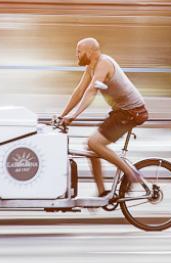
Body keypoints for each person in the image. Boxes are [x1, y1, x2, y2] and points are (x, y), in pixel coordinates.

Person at [58, 37, 151, 197]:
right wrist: (62, 115)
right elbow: (79, 91)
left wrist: (74, 116)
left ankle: (132, 174)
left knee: (93, 142)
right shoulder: (91, 68)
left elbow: (91, 91)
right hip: (121, 111)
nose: (77, 55)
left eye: (79, 52)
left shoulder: (104, 64)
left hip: (132, 112)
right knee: (91, 146)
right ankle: (102, 192)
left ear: (89, 51)